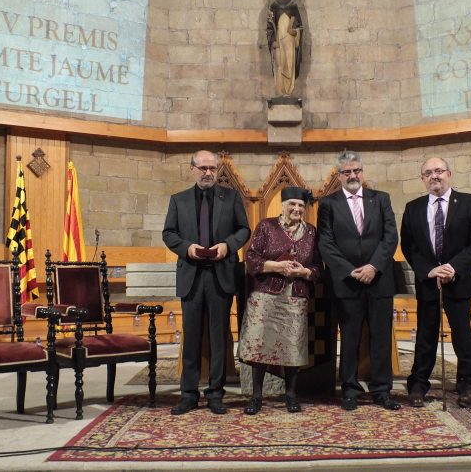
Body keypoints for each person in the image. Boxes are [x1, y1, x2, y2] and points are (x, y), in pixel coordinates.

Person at [163, 150, 251, 415]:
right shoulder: (178, 200)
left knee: (218, 336)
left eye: (212, 168)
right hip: (191, 274)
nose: (208, 173)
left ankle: (216, 394)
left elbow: (244, 229)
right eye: (203, 168)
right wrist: (187, 248)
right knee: (191, 338)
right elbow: (168, 233)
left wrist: (228, 246)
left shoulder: (232, 197)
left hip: (220, 275)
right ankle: (188, 394)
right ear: (192, 169)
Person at [400, 157, 471, 409]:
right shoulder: (413, 207)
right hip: (428, 282)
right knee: (425, 336)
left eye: (438, 171)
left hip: (458, 281)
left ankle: (469, 386)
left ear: (449, 173)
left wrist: (453, 267)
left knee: (462, 337)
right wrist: (429, 270)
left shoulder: (470, 203)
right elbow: (409, 246)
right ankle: (418, 385)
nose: (434, 176)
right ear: (422, 179)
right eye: (428, 173)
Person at [317, 150, 401, 411]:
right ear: (338, 175)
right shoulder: (328, 204)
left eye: (356, 171)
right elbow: (325, 243)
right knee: (350, 338)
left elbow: (390, 237)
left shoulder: (381, 199)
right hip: (347, 282)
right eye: (347, 172)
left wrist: (373, 266)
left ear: (362, 172)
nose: (352, 176)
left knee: (381, 337)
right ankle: (350, 389)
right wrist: (350, 270)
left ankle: (381, 389)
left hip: (379, 281)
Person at [238, 187, 321, 415]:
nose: (296, 209)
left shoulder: (312, 232)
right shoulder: (266, 226)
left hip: (295, 296)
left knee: (293, 346)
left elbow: (317, 268)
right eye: (292, 204)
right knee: (260, 346)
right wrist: (277, 266)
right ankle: (256, 397)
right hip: (265, 296)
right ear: (282, 205)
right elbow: (251, 258)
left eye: (301, 206)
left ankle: (291, 394)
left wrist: (304, 272)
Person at [267, 0, 303, 96]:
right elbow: (269, 27)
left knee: (289, 63)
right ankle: (280, 91)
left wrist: (294, 32)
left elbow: (299, 26)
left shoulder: (293, 5)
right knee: (280, 64)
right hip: (279, 40)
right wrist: (273, 41)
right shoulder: (274, 5)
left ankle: (289, 91)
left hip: (290, 40)